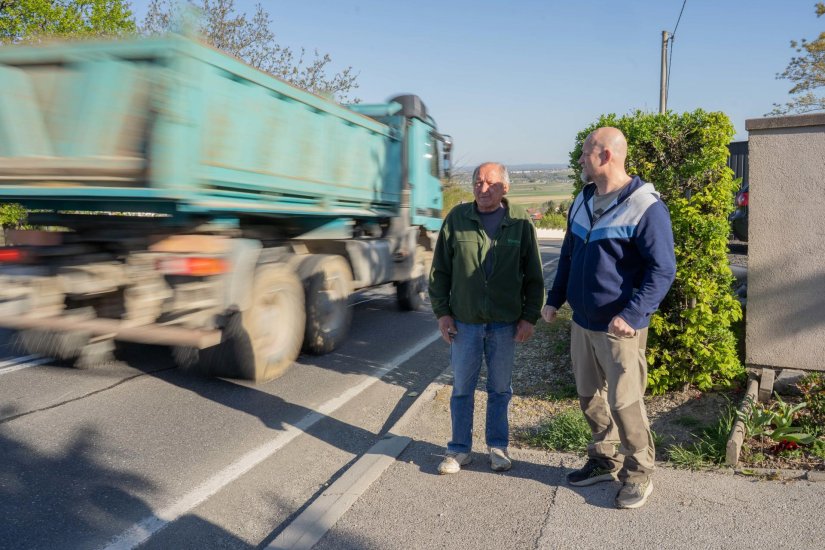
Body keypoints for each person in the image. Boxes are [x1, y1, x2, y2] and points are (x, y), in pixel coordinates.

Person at [543, 127, 676, 509]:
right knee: (589, 396)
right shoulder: (582, 200)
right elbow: (568, 255)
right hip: (583, 322)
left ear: (605, 156)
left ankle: (638, 473)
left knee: (625, 402)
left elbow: (663, 270)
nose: (580, 160)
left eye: (585, 153)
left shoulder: (645, 206)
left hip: (620, 328)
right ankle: (603, 459)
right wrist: (555, 299)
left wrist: (632, 314)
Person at [429, 161, 544, 475]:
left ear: (505, 188)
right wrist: (442, 314)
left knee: (499, 389)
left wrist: (529, 317)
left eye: (491, 183)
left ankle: (497, 447)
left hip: (505, 324)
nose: (483, 189)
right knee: (462, 389)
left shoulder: (520, 222)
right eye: (478, 182)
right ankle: (458, 450)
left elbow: (534, 276)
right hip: (465, 323)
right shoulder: (457, 218)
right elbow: (440, 272)